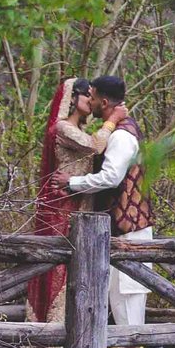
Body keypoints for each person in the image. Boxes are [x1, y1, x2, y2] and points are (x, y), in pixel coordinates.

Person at [64, 75, 155, 332]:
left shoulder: (122, 136)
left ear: (103, 102)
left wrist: (72, 182)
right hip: (120, 227)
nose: (89, 101)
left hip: (131, 227)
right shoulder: (118, 131)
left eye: (91, 97)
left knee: (128, 293)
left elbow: (111, 177)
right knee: (117, 292)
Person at [26, 78, 111, 322]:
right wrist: (112, 120)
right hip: (61, 211)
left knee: (74, 269)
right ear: (72, 99)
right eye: (87, 95)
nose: (91, 101)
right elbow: (96, 146)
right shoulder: (62, 129)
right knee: (57, 270)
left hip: (78, 209)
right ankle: (49, 335)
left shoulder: (78, 131)